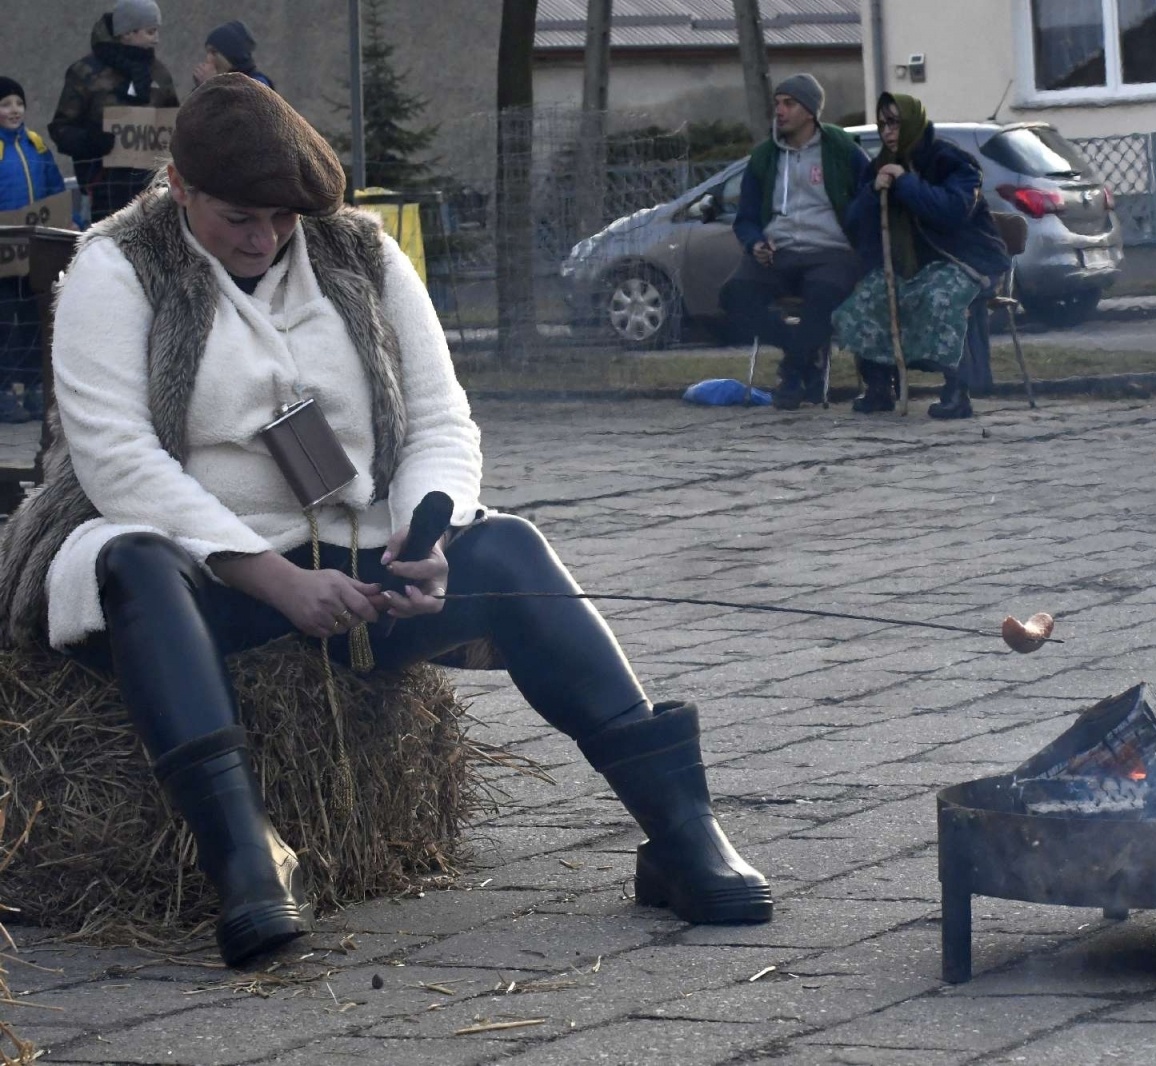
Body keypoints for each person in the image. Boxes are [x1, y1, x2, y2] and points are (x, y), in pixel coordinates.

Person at [0, 75, 772, 970]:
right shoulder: (117, 262)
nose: (264, 238)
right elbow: (118, 460)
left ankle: (683, 833)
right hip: (195, 571)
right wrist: (274, 577)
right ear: (179, 186)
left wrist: (427, 538)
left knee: (509, 548)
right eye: (239, 218)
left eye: (282, 218)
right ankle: (250, 858)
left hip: (352, 550)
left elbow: (442, 420)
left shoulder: (360, 251)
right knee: (134, 559)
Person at [831, 92, 1010, 420]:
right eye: (883, 124)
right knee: (867, 298)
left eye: (895, 122)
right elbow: (854, 225)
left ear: (913, 121)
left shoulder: (951, 161)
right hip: (912, 267)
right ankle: (879, 385)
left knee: (939, 296)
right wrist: (873, 191)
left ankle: (957, 389)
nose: (888, 131)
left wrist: (905, 182)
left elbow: (951, 211)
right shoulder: (877, 167)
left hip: (967, 260)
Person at [721, 74, 869, 410]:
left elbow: (869, 196)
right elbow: (746, 218)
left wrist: (859, 240)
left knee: (823, 295)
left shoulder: (841, 149)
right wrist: (755, 243)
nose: (780, 111)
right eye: (777, 103)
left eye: (789, 104)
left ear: (810, 111)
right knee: (734, 295)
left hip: (830, 252)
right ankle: (804, 359)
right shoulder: (764, 156)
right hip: (778, 252)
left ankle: (791, 375)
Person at [49, 0, 179, 223]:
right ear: (127, 33)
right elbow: (61, 129)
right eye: (150, 32)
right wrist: (91, 141)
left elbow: (173, 125)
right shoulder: (86, 73)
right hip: (104, 191)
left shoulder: (159, 73)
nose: (156, 39)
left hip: (153, 191)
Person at [0, 77, 67, 424]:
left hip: (33, 253)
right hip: (3, 257)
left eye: (18, 103)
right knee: (4, 323)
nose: (14, 110)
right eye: (5, 104)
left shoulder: (36, 145)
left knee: (33, 321)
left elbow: (54, 188)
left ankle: (34, 386)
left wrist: (68, 220)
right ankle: (3, 391)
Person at [194, 21, 274, 90]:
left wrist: (211, 85)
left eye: (214, 52)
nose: (208, 59)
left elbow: (239, 101)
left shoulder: (257, 84)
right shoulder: (225, 83)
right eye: (208, 52)